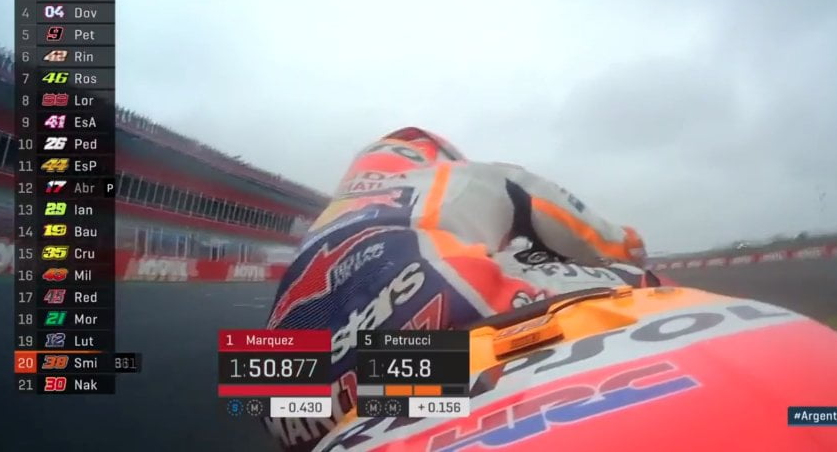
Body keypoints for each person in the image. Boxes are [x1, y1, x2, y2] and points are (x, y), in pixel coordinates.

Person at [263, 127, 652, 452]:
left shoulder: (324, 222)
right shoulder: (451, 177)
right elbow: (580, 226)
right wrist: (630, 249)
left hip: (283, 400)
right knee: (632, 286)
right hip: (433, 343)